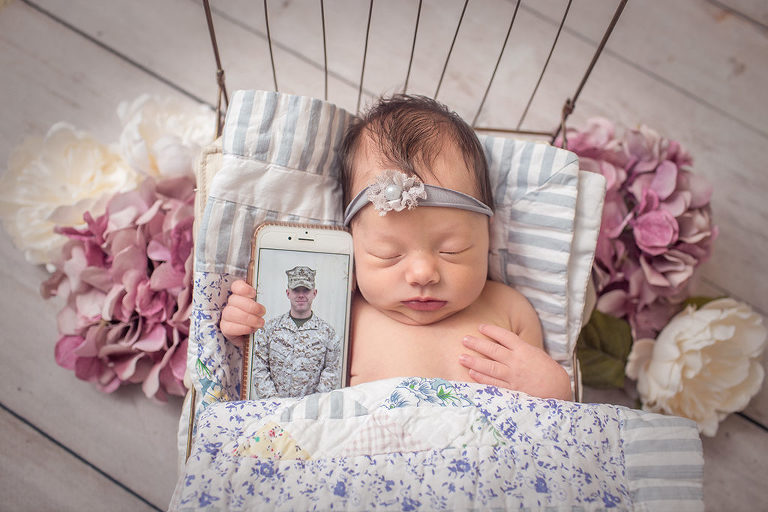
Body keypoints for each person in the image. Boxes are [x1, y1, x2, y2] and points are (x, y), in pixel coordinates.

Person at [220, 95, 572, 401]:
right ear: (353, 245)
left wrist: (552, 387)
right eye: (388, 254)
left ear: (489, 236)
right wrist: (250, 334)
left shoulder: (508, 309)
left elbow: (546, 422)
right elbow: (287, 392)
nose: (423, 274)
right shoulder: (338, 311)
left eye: (453, 249)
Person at [248, 265, 341, 398]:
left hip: (311, 412)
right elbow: (259, 369)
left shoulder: (328, 333)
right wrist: (274, 402)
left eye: (306, 290)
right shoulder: (269, 329)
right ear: (288, 293)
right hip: (274, 409)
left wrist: (313, 404)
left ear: (314, 293)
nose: (301, 295)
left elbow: (331, 372)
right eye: (296, 290)